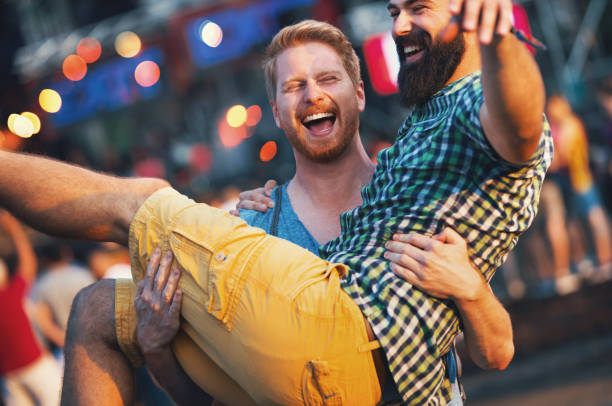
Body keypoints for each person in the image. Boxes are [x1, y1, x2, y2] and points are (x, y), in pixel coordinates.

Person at [0, 1, 550, 404]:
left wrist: (472, 289)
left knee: (142, 201)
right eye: (293, 87)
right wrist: (159, 349)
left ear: (358, 95)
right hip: (309, 366)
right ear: (276, 110)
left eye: (328, 78)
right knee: (96, 308)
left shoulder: (416, 189)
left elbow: (497, 349)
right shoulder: (257, 221)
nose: (312, 94)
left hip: (356, 356)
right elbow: (214, 394)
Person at [0, 210, 62, 406]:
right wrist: (15, 229)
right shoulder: (10, 295)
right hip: (33, 363)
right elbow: (28, 265)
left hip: (7, 374)